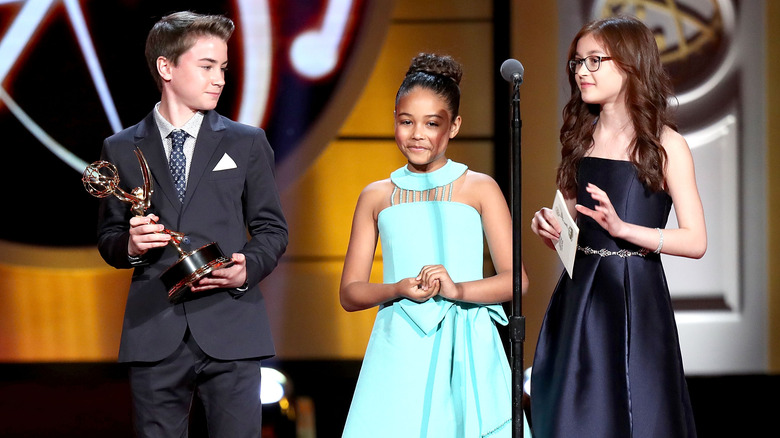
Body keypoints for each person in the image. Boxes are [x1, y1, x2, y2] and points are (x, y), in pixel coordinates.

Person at [95, 11, 288, 437]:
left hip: (233, 325)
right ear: (166, 67)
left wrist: (246, 268)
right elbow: (109, 238)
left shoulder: (246, 141)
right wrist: (130, 244)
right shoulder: (121, 147)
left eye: (222, 68)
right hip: (154, 330)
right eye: (206, 67)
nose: (218, 78)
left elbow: (273, 230)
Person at [529, 15, 706, 438]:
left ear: (630, 65)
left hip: (634, 296)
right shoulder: (579, 137)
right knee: (574, 414)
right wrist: (553, 226)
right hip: (579, 292)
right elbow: (573, 218)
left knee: (638, 413)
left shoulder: (666, 144)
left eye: (595, 61)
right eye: (576, 63)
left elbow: (696, 240)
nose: (582, 71)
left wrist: (625, 229)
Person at [339, 52, 530, 437]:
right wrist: (397, 288)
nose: (417, 134)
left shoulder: (480, 188)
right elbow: (350, 292)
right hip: (400, 345)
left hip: (469, 341)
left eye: (432, 123)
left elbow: (517, 280)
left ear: (454, 126)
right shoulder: (376, 196)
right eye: (406, 121)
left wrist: (458, 289)